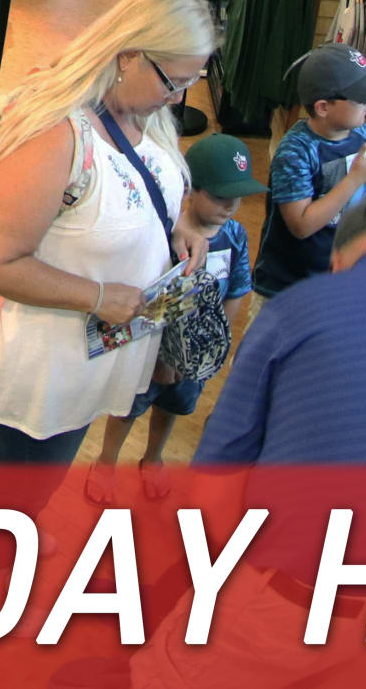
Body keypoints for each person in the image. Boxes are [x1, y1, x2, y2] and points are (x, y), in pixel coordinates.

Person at [130, 193, 366, 689]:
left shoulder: (297, 309)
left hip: (301, 591)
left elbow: (212, 489)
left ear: (337, 261)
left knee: (169, 676)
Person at [0, 0, 216, 553]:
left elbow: (148, 180)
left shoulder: (143, 109)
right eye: (175, 81)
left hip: (96, 346)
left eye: (192, 81)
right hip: (50, 357)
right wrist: (98, 297)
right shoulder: (56, 134)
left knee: (23, 454)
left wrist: (178, 226)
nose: (179, 98)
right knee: (36, 465)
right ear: (130, 55)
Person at [83, 132, 264, 505]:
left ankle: (153, 457)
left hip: (193, 357)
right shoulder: (167, 234)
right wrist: (164, 360)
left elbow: (236, 290)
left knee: (174, 407)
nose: (230, 206)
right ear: (191, 190)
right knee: (129, 407)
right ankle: (105, 462)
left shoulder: (235, 235)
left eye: (237, 197)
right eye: (220, 196)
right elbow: (149, 300)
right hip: (150, 350)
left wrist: (210, 342)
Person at [254, 43, 366, 297]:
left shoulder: (365, 135)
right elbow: (301, 225)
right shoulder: (296, 151)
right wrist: (355, 179)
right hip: (285, 287)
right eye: (359, 97)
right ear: (323, 107)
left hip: (337, 280)